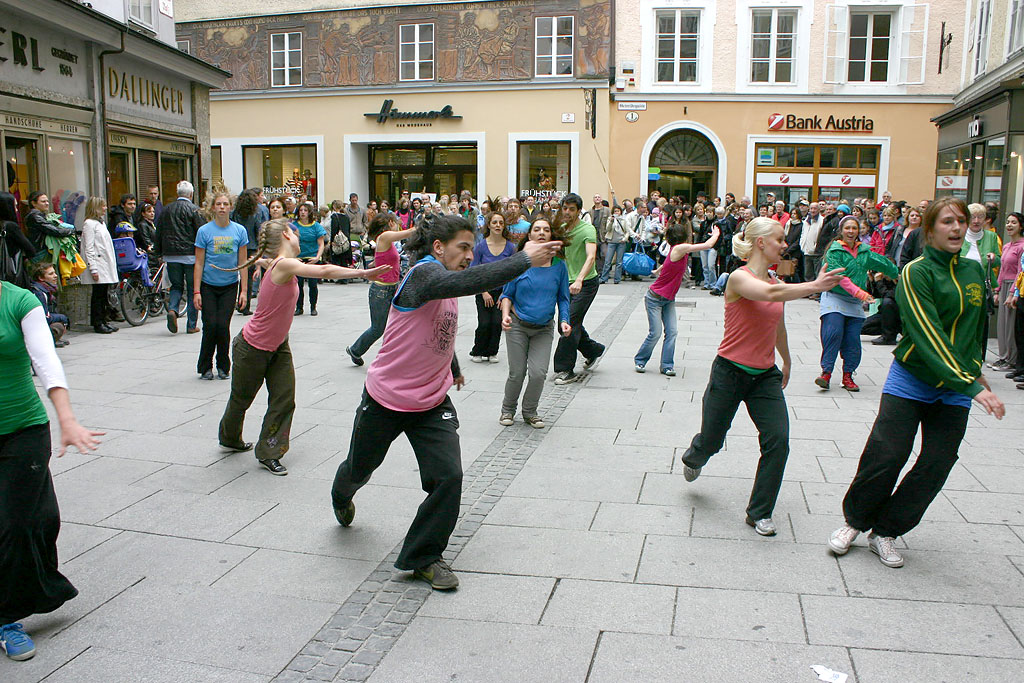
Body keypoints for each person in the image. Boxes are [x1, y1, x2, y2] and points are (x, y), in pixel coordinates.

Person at [330, 214, 563, 591]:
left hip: (430, 400)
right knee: (360, 467)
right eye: (464, 247)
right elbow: (462, 282)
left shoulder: (444, 283)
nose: (470, 256)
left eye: (473, 248)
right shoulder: (424, 274)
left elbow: (438, 326)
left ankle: (423, 556)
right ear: (438, 248)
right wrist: (524, 260)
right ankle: (342, 493)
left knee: (449, 477)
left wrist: (451, 364)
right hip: (387, 397)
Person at [828, 198, 1006, 568]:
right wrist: (972, 385)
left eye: (961, 221)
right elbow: (928, 335)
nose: (957, 228)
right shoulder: (916, 272)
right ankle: (855, 521)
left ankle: (887, 531)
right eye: (947, 222)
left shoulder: (974, 270)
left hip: (954, 388)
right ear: (929, 229)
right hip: (912, 380)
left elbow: (975, 330)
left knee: (937, 463)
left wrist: (975, 372)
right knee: (887, 454)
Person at [680, 217, 844, 536]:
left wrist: (786, 360)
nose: (785, 245)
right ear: (760, 243)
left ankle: (759, 512)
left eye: (785, 240)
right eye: (780, 239)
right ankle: (695, 455)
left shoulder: (772, 279)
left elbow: (777, 321)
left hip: (764, 376)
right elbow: (768, 295)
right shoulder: (738, 279)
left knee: (778, 441)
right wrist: (814, 286)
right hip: (729, 371)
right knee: (712, 440)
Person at [218, 219, 390, 476]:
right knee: (241, 399)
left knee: (284, 399)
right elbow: (324, 272)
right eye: (296, 234)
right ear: (287, 236)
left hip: (278, 346)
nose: (299, 239)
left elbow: (267, 263)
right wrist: (363, 273)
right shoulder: (285, 264)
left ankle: (269, 451)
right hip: (252, 347)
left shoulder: (278, 264)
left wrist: (258, 262)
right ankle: (229, 437)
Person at [0, 276, 102, 662]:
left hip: (22, 429)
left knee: (22, 523)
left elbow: (45, 359)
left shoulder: (19, 301)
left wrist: (67, 418)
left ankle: (7, 617)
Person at [498, 217, 571, 428]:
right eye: (537, 229)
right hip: (518, 326)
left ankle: (530, 412)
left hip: (544, 328)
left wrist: (564, 321)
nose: (541, 233)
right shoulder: (520, 263)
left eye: (546, 230)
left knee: (539, 373)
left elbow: (564, 298)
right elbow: (507, 294)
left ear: (551, 235)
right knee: (517, 372)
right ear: (529, 236)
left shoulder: (559, 266)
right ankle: (507, 410)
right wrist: (505, 315)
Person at [815, 216, 898, 391]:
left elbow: (882, 263)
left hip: (854, 302)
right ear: (841, 231)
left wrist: (896, 274)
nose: (851, 231)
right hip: (834, 297)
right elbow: (840, 278)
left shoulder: (864, 252)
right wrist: (861, 293)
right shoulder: (834, 252)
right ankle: (826, 373)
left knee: (853, 340)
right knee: (833, 332)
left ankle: (848, 376)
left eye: (854, 228)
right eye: (847, 228)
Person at [635, 222, 720, 375]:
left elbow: (668, 261)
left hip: (668, 299)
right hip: (654, 298)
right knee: (655, 333)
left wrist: (658, 270)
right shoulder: (681, 248)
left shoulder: (678, 250)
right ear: (683, 236)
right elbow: (708, 245)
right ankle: (640, 360)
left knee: (672, 332)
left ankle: (667, 365)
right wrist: (716, 234)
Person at [346, 213, 415, 366]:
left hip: (392, 288)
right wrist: (423, 225)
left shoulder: (385, 242)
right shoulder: (384, 237)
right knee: (378, 328)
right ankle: (356, 350)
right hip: (381, 291)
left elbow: (383, 259)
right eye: (396, 223)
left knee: (398, 325)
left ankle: (394, 357)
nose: (398, 225)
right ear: (390, 223)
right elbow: (409, 232)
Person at [194, 192, 249, 380]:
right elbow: (199, 263)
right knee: (210, 325)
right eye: (218, 204)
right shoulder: (204, 231)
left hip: (229, 284)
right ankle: (205, 366)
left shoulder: (239, 231)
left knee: (223, 325)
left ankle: (223, 366)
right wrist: (196, 291)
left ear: (231, 207)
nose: (222, 207)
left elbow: (243, 262)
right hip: (208, 285)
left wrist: (244, 291)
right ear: (213, 207)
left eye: (226, 204)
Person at [551, 194, 605, 384]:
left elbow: (591, 257)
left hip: (586, 284)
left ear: (579, 211)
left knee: (570, 323)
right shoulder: (563, 229)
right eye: (565, 208)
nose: (567, 212)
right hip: (567, 283)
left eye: (572, 209)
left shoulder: (587, 229)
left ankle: (565, 369)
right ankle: (593, 350)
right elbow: (558, 257)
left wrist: (580, 280)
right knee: (566, 323)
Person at [155, 181, 204, 335]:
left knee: (176, 286)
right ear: (191, 194)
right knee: (192, 289)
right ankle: (191, 325)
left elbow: (159, 232)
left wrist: (159, 253)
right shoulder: (195, 210)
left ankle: (173, 309)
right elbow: (201, 232)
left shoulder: (166, 210)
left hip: (171, 255)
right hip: (190, 255)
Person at [470, 212, 516, 362]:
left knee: (497, 323)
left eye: (501, 223)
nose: (498, 225)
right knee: (484, 323)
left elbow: (513, 273)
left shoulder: (510, 247)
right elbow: (474, 271)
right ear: (488, 225)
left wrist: (505, 295)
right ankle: (478, 351)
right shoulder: (480, 247)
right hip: (483, 291)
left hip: (502, 292)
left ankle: (492, 352)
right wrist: (484, 292)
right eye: (495, 222)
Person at [80, 197, 119, 335]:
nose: (105, 208)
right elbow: (88, 248)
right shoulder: (89, 224)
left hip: (104, 263)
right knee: (98, 294)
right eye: (103, 206)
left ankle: (103, 320)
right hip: (98, 264)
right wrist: (93, 268)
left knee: (103, 294)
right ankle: (98, 322)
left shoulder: (100, 223)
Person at [992, 212, 1024, 373]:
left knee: (1011, 326)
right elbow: (1002, 270)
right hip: (1004, 285)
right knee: (1002, 325)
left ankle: (1011, 359)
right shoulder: (1006, 246)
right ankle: (1003, 356)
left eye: (1014, 222)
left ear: (1021, 226)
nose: (1009, 225)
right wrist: (997, 290)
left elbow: (1020, 271)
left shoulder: (1022, 246)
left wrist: (1013, 293)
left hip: (1014, 286)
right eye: (1008, 222)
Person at [290, 202, 326, 316]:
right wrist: (294, 257)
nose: (303, 213)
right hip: (299, 258)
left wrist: (317, 257)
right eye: (301, 210)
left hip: (312, 258)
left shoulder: (316, 226)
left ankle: (313, 307)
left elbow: (321, 244)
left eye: (305, 210)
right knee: (298, 284)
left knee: (313, 284)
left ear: (309, 212)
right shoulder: (294, 226)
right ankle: (299, 307)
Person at [231, 189, 261, 315]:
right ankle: (245, 305)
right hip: (251, 248)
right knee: (247, 278)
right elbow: (258, 232)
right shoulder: (255, 215)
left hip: (235, 247)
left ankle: (233, 301)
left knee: (233, 276)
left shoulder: (234, 214)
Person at [29, 262, 70, 347]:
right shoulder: (39, 293)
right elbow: (44, 318)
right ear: (41, 278)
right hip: (34, 328)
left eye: (54, 273)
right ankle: (46, 342)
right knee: (58, 326)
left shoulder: (47, 289)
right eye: (51, 274)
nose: (55, 276)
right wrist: (63, 318)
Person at [22, 192, 73, 259]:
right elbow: (54, 230)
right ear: (34, 203)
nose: (47, 203)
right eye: (43, 201)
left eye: (47, 201)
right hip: (40, 252)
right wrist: (71, 231)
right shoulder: (35, 216)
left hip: (40, 251)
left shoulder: (37, 215)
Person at [0, 192, 35, 289]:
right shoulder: (10, 227)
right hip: (10, 274)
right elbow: (30, 250)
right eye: (14, 206)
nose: (16, 210)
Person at [599, 205, 634, 284]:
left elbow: (627, 231)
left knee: (619, 261)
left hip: (621, 242)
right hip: (611, 241)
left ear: (620, 212)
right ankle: (604, 278)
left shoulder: (624, 220)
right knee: (608, 260)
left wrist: (624, 239)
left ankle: (617, 279)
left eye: (618, 211)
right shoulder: (610, 219)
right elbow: (607, 229)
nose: (616, 213)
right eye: (615, 211)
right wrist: (611, 221)